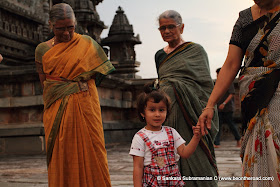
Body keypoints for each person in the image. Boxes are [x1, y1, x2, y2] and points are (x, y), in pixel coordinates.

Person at [197, 0, 280, 186]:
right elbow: (231, 64)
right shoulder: (244, 18)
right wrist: (210, 104)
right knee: (257, 152)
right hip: (253, 95)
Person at [34, 3, 115, 187]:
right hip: (57, 109)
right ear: (50, 25)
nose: (66, 33)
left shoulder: (87, 44)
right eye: (60, 29)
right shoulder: (42, 50)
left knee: (93, 150)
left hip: (86, 105)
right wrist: (66, 89)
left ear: (75, 23)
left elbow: (99, 74)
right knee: (63, 153)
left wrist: (78, 86)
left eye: (70, 27)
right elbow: (46, 85)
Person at [155, 10, 219, 186]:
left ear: (181, 27)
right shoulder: (159, 55)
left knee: (194, 151)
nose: (166, 31)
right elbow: (162, 81)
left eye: (170, 27)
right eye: (162, 28)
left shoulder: (196, 51)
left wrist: (205, 109)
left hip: (190, 111)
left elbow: (205, 85)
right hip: (167, 112)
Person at [129, 82, 202, 187]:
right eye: (152, 110)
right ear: (142, 113)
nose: (157, 114)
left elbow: (185, 153)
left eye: (161, 110)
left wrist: (196, 137)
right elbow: (138, 167)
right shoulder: (140, 137)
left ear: (167, 112)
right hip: (153, 184)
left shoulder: (171, 132)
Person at [214, 68, 241, 148]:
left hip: (228, 108)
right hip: (219, 108)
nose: (217, 76)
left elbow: (232, 94)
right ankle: (217, 143)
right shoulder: (217, 83)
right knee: (218, 125)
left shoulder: (228, 81)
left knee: (231, 124)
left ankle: (238, 140)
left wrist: (224, 103)